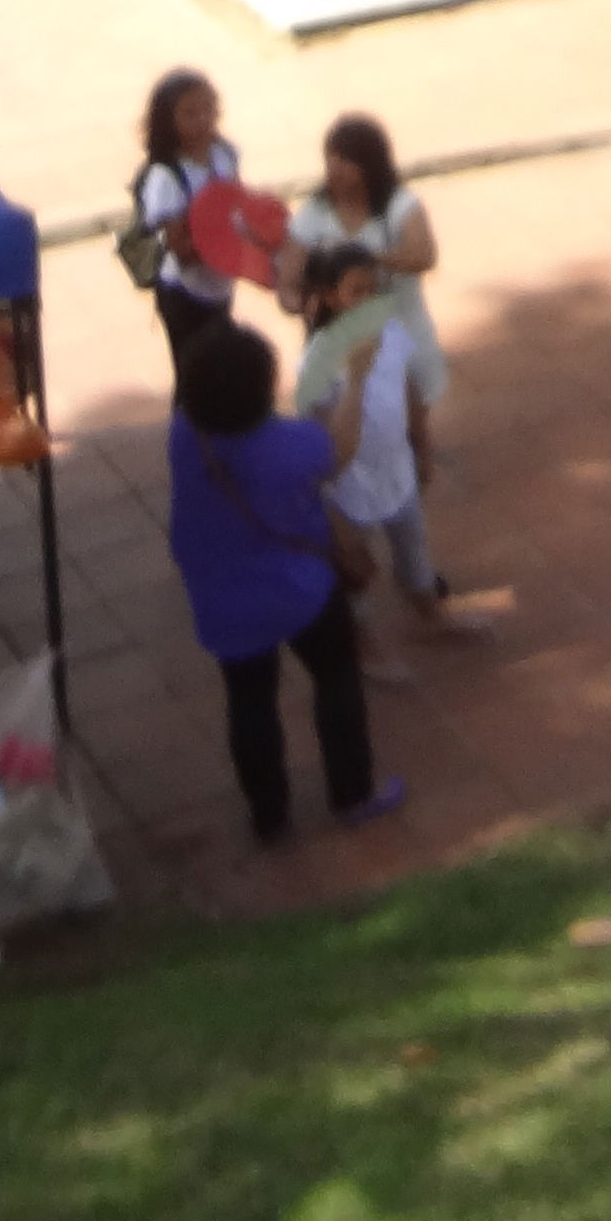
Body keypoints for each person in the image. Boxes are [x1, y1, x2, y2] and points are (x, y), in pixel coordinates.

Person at [164, 315, 405, 848]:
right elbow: (339, 448)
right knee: (335, 676)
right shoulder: (285, 445)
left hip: (220, 593)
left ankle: (269, 819)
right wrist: (358, 376)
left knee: (249, 701)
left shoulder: (185, 431)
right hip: (298, 590)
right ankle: (352, 794)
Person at [301, 255, 456, 639]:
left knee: (414, 546)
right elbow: (317, 436)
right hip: (351, 486)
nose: (369, 300)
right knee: (356, 567)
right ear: (329, 296)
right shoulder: (318, 361)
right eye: (357, 291)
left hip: (397, 468)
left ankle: (430, 613)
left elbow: (409, 390)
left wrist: (422, 447)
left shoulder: (392, 331)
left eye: (374, 289)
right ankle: (363, 639)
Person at [276, 113, 446, 393]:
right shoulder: (313, 213)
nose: (335, 168)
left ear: (371, 165)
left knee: (414, 418)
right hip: (335, 343)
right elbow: (287, 283)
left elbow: (424, 255)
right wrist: (304, 304)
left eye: (346, 160)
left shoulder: (400, 204)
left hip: (403, 327)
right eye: (331, 158)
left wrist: (366, 257)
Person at [133, 67, 247, 390]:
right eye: (190, 113)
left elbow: (238, 200)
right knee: (194, 381)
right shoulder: (166, 177)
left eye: (209, 108)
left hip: (220, 284)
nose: (203, 120)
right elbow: (182, 251)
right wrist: (227, 242)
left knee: (220, 374)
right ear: (168, 121)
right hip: (184, 293)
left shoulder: (225, 154)